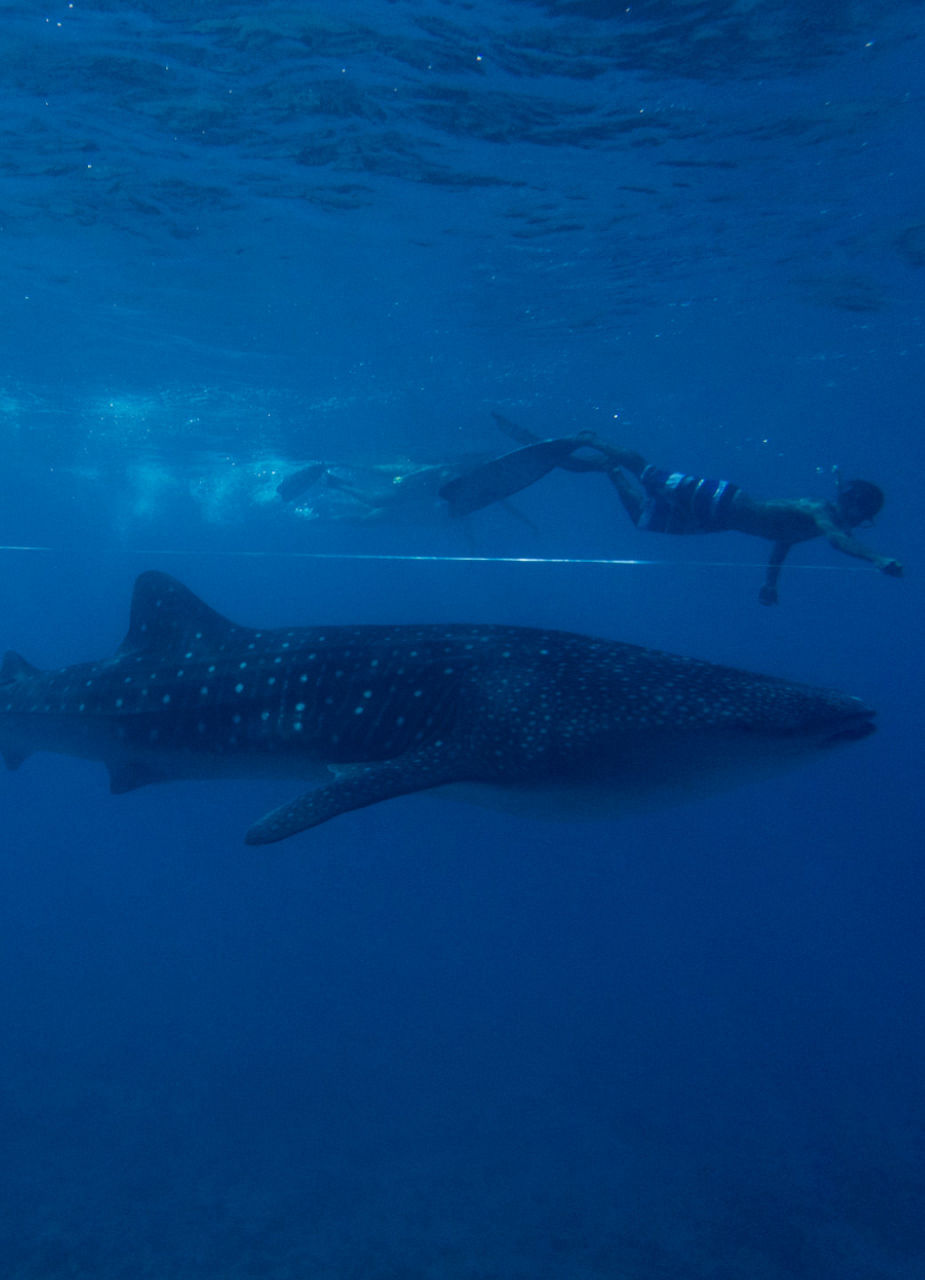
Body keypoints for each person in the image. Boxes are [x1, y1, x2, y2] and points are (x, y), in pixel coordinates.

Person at [442, 417, 903, 604]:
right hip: (724, 500)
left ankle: (607, 469)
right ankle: (590, 437)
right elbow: (840, 539)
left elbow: (782, 542)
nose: (858, 521)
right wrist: (877, 559)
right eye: (862, 516)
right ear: (858, 510)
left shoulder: (814, 526)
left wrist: (769, 583)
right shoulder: (822, 511)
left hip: (717, 522)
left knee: (644, 519)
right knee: (646, 471)